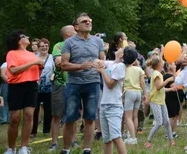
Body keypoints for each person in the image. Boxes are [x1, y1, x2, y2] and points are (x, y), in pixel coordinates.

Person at [59, 13, 105, 154]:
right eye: (84, 21)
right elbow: (63, 65)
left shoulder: (98, 42)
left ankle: (87, 149)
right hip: (74, 84)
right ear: (76, 27)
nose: (88, 22)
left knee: (90, 117)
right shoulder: (69, 43)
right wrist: (80, 66)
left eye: (89, 21)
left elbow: (102, 61)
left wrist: (101, 64)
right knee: (70, 117)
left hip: (93, 83)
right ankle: (66, 149)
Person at [5, 31, 44, 154]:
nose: (27, 37)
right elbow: (13, 71)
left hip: (31, 85)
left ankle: (24, 147)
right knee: (15, 118)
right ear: (18, 40)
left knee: (29, 115)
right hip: (16, 86)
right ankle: (11, 148)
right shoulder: (12, 53)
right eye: (23, 36)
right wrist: (34, 62)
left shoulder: (32, 54)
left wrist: (40, 67)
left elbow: (37, 73)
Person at [96, 47, 131, 154]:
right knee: (107, 140)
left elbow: (110, 84)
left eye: (122, 49)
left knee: (116, 137)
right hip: (104, 104)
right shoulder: (113, 64)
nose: (119, 48)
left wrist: (102, 71)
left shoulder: (120, 67)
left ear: (121, 55)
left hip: (114, 106)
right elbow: (98, 62)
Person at [50, 25, 76, 152]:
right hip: (60, 84)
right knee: (57, 114)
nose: (77, 31)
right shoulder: (58, 45)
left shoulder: (79, 44)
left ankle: (73, 140)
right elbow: (59, 62)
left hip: (74, 83)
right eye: (74, 30)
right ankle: (54, 143)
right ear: (68, 34)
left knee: (73, 114)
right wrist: (77, 63)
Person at [144, 55, 175, 147]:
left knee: (166, 121)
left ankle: (171, 140)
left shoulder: (159, 74)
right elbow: (158, 87)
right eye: (162, 61)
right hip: (155, 102)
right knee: (159, 123)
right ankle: (148, 141)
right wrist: (168, 80)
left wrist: (170, 90)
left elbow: (161, 89)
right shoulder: (156, 74)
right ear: (158, 64)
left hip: (161, 101)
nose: (163, 62)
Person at [121, 53, 146, 145]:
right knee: (135, 116)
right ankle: (132, 134)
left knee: (127, 117)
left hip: (129, 92)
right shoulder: (139, 69)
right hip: (138, 92)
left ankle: (132, 137)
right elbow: (142, 82)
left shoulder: (124, 69)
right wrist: (145, 93)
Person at [32, 39, 54, 139]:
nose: (44, 48)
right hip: (36, 86)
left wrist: (53, 75)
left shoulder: (52, 58)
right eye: (42, 46)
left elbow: (56, 70)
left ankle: (47, 130)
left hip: (48, 86)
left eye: (46, 46)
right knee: (34, 109)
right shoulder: (33, 58)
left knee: (48, 109)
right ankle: (33, 131)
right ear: (38, 47)